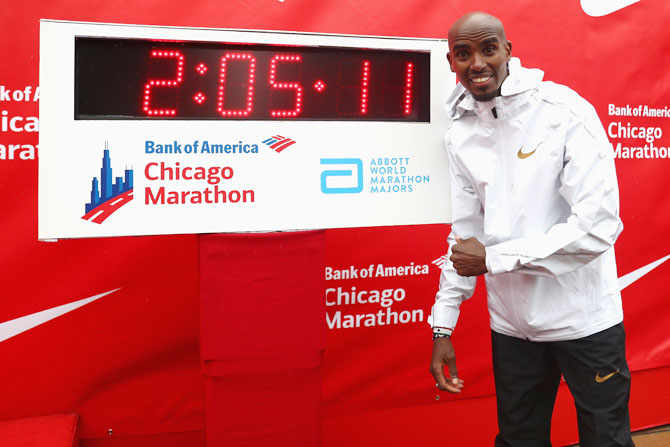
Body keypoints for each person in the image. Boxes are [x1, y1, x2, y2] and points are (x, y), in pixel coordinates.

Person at [428, 11, 634, 447]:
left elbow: (597, 227)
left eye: (487, 49)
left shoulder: (564, 112)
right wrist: (443, 324)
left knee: (606, 441)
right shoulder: (460, 132)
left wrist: (494, 259)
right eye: (463, 54)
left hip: (584, 323)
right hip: (512, 326)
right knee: (519, 440)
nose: (477, 63)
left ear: (508, 51)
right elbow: (465, 236)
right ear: (451, 63)